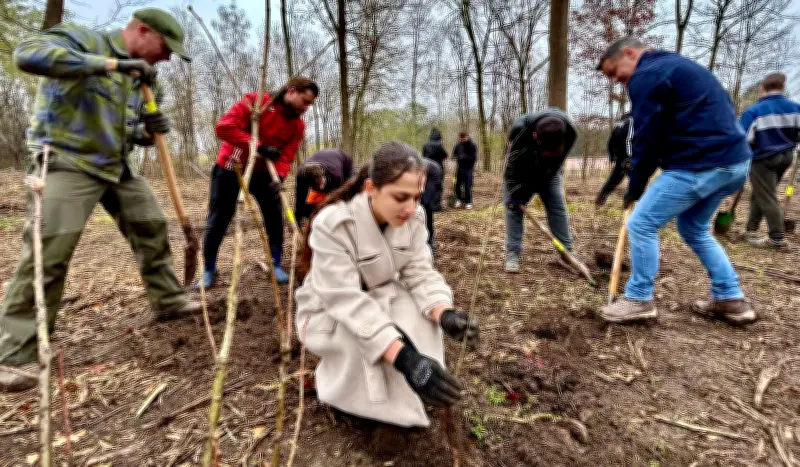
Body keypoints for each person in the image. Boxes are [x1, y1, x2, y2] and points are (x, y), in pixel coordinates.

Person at [0, 8, 200, 391]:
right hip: (67, 160)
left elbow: (135, 126)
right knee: (49, 250)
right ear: (143, 30)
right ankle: (14, 354)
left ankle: (168, 299)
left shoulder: (146, 78)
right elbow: (27, 56)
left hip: (116, 166)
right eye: (166, 46)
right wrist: (112, 65)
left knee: (151, 223)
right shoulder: (82, 41)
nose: (168, 57)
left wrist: (149, 129)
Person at [295, 142, 479, 428]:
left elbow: (420, 271)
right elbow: (345, 300)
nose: (411, 208)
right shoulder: (333, 224)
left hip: (381, 291)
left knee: (421, 318)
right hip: (330, 308)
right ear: (371, 189)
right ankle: (348, 399)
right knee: (364, 338)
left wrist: (444, 312)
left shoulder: (415, 219)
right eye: (400, 197)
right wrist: (405, 359)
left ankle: (419, 390)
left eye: (417, 197)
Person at [596, 37, 755, 325]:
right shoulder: (682, 67)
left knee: (641, 223)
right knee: (693, 227)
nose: (616, 80)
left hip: (700, 164)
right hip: (735, 163)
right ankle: (730, 299)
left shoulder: (646, 75)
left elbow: (646, 137)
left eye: (614, 71)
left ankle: (638, 298)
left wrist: (635, 188)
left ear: (630, 53)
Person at [197, 76, 318, 289]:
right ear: (291, 92)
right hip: (231, 168)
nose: (307, 108)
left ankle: (275, 264)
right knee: (219, 219)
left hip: (265, 175)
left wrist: (278, 177)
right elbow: (224, 127)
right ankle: (208, 269)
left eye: (310, 104)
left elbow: (287, 155)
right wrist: (258, 145)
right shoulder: (256, 103)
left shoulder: (297, 126)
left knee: (274, 217)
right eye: (305, 101)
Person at [504, 109, 577, 273]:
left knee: (558, 208)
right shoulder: (519, 130)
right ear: (535, 136)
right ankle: (513, 252)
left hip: (550, 173)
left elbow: (558, 161)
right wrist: (515, 193)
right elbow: (511, 166)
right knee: (513, 209)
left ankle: (567, 251)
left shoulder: (570, 131)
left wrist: (544, 179)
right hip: (521, 173)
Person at [740, 72, 800, 249]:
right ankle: (751, 228)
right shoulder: (796, 108)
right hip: (786, 156)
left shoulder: (754, 111)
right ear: (782, 88)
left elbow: (744, 138)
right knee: (763, 192)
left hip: (763, 158)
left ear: (761, 89)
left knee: (767, 195)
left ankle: (777, 238)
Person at [295, 148, 353, 226]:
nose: (321, 188)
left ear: (323, 175)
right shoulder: (301, 175)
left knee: (344, 194)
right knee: (312, 200)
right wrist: (298, 217)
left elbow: (338, 196)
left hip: (345, 164)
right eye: (316, 187)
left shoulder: (336, 175)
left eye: (322, 184)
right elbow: (300, 197)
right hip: (324, 159)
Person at [596, 112, 633, 206]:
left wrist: (613, 157)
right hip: (628, 158)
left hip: (620, 158)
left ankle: (601, 198)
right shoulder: (632, 121)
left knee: (614, 179)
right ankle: (629, 202)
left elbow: (611, 141)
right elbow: (628, 140)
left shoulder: (620, 122)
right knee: (636, 179)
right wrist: (629, 157)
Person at [421, 158, 443, 254]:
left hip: (432, 176)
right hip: (428, 176)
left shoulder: (422, 167)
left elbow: (436, 187)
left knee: (426, 207)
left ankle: (429, 241)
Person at [452, 131, 477, 209]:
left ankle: (468, 202)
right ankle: (459, 199)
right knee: (457, 184)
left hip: (469, 168)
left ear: (467, 137)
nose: (462, 140)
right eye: (461, 139)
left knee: (467, 185)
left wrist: (465, 157)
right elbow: (453, 155)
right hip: (459, 168)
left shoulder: (472, 145)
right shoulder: (457, 145)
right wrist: (456, 157)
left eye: (463, 138)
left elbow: (474, 157)